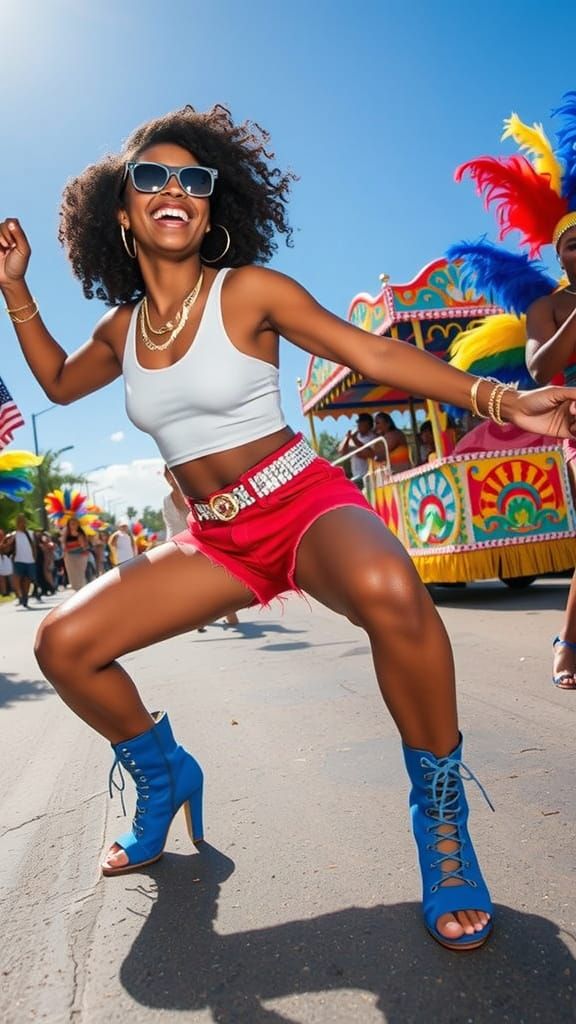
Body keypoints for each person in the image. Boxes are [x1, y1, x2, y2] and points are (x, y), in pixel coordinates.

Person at [1, 106, 576, 952]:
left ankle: (442, 819)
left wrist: (502, 399)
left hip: (302, 503)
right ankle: (162, 775)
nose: (174, 189)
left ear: (210, 205)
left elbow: (371, 355)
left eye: (193, 179)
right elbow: (51, 382)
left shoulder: (250, 291)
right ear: (120, 213)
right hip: (214, 539)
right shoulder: (119, 331)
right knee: (61, 643)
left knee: (391, 587)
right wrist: (15, 287)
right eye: (150, 177)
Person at [526, 221, 576, 689]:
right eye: (574, 245)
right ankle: (569, 641)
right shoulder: (548, 307)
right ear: (558, 257)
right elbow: (542, 367)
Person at [163, 465, 239, 630]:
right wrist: (170, 546)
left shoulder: (193, 493)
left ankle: (229, 613)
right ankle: (201, 617)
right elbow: (170, 526)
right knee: (191, 583)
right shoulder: (167, 501)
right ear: (166, 478)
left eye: (174, 475)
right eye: (169, 476)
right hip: (180, 544)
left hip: (202, 540)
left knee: (215, 578)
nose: (172, 479)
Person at [5, 513, 38, 608]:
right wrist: (8, 543)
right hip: (18, 560)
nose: (22, 523)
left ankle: (25, 598)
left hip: (30, 561)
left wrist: (34, 557)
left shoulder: (31, 534)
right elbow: (6, 546)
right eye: (19, 521)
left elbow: (35, 547)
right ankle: (19, 595)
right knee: (17, 580)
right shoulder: (13, 535)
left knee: (27, 580)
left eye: (23, 521)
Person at [337, 413, 375, 488]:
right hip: (356, 477)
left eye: (361, 423)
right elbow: (342, 452)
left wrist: (354, 443)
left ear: (368, 424)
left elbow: (366, 454)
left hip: (369, 476)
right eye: (358, 423)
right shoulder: (354, 436)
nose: (358, 425)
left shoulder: (373, 437)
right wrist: (347, 438)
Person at [62, 517, 90, 591]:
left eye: (75, 523)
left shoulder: (81, 533)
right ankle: (76, 589)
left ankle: (82, 588)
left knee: (80, 573)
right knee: (72, 573)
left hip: (81, 555)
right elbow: (64, 545)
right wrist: (65, 554)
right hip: (70, 556)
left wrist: (79, 536)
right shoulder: (66, 533)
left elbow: (84, 546)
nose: (74, 525)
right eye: (72, 524)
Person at [0, 527, 14, 597]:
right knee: (1, 576)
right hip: (2, 557)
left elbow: (6, 549)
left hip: (5, 557)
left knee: (9, 574)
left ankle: (13, 590)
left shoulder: (5, 538)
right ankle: (4, 592)